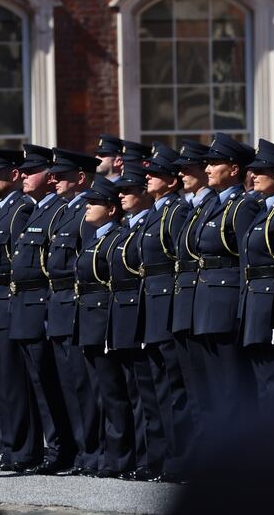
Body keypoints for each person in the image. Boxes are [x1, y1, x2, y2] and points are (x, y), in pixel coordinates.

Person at [9, 144, 76, 475]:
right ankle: (47, 447)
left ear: (49, 178)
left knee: (50, 382)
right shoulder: (31, 211)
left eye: (30, 171)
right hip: (23, 304)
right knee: (35, 383)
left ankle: (60, 447)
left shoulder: (57, 212)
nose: (22, 176)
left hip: (41, 305)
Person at [0, 148, 39, 472]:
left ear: (14, 175)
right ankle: (5, 444)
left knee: (13, 383)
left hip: (7, 303)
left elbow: (20, 264)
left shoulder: (21, 210)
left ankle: (22, 449)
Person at [192, 133, 259, 423]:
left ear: (234, 170)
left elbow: (248, 259)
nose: (207, 169)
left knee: (233, 382)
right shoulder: (210, 205)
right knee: (214, 383)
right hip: (207, 297)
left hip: (228, 298)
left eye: (215, 163)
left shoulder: (243, 206)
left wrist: (244, 307)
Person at [138, 143, 193, 482]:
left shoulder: (176, 212)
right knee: (158, 389)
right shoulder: (156, 211)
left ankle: (181, 459)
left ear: (172, 182)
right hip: (153, 308)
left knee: (176, 389)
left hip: (168, 306)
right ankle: (165, 458)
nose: (148, 177)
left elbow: (179, 261)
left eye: (156, 174)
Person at [45, 148, 101, 475]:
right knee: (68, 385)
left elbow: (89, 263)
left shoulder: (85, 213)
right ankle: (80, 451)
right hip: (59, 306)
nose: (54, 180)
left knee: (82, 385)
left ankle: (91, 451)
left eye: (62, 176)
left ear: (80, 178)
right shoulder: (63, 211)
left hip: (76, 305)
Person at [108, 163, 165, 481]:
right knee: (136, 391)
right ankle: (144, 458)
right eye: (121, 191)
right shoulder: (131, 228)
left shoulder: (149, 224)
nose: (123, 196)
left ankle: (151, 459)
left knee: (150, 394)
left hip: (146, 314)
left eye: (129, 191)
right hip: (130, 316)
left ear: (145, 194)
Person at [237, 139, 274, 417]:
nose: (253, 175)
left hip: (271, 303)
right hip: (256, 302)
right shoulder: (263, 209)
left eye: (262, 171)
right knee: (263, 380)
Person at [74, 175, 126, 478]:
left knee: (113, 391)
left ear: (110, 208)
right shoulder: (96, 238)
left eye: (93, 203)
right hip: (89, 321)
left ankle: (118, 456)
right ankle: (104, 452)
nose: (87, 208)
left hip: (105, 321)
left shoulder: (118, 237)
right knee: (98, 391)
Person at [171, 140, 214, 429]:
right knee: (195, 385)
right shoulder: (193, 207)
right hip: (188, 298)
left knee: (212, 385)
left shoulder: (211, 204)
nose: (182, 174)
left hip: (208, 299)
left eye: (189, 169)